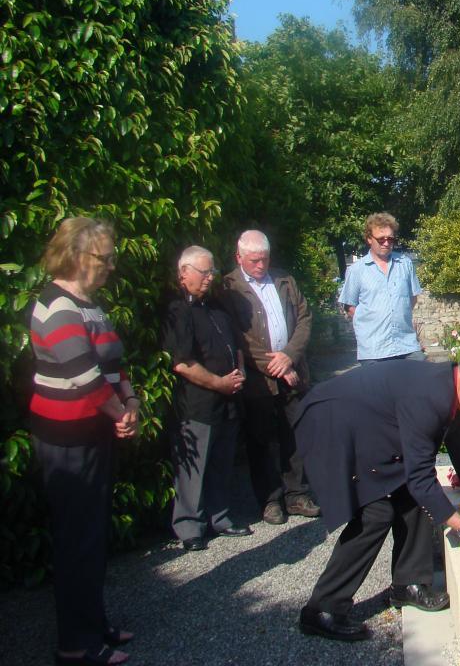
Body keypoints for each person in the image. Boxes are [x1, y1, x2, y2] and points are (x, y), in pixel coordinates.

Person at [292, 349, 460, 642]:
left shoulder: (450, 386)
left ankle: (408, 584)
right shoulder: (428, 397)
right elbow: (421, 478)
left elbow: (458, 442)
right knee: (375, 512)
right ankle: (322, 610)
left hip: (366, 422)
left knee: (414, 499)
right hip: (332, 423)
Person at [29, 218, 137, 666]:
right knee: (77, 539)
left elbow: (114, 362)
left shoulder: (88, 303)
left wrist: (129, 399)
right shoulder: (56, 306)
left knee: (92, 536)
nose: (111, 265)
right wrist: (119, 412)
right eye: (104, 258)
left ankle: (95, 623)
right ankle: (75, 645)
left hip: (94, 432)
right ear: (77, 257)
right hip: (67, 438)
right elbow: (84, 375)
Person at [220, 230, 319, 525]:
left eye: (264, 259)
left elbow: (305, 318)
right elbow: (238, 337)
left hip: (292, 372)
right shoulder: (228, 287)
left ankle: (296, 494)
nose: (261, 266)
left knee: (296, 434)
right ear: (239, 257)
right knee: (260, 440)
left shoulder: (284, 280)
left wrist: (289, 355)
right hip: (258, 381)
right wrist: (276, 365)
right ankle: (270, 500)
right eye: (254, 261)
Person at [162, 246, 250, 552]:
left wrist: (238, 373)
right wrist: (219, 383)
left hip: (228, 401)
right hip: (197, 403)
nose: (209, 278)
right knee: (194, 468)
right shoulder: (178, 310)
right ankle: (189, 526)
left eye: (212, 272)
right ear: (184, 273)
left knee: (221, 463)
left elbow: (236, 346)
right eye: (204, 272)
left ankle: (219, 516)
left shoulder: (217, 308)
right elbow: (182, 362)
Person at [338, 212, 424, 362]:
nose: (386, 243)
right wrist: (371, 322)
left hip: (407, 346)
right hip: (374, 350)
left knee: (421, 381)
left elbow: (412, 298)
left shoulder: (405, 264)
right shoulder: (357, 270)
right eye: (381, 239)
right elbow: (349, 305)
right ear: (369, 239)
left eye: (390, 239)